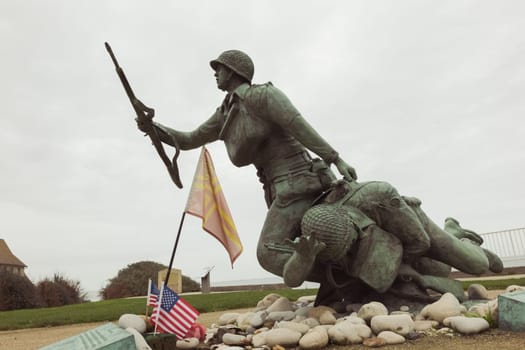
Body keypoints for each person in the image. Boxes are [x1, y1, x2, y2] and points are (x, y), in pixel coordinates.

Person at [135, 49, 357, 279]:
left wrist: (335, 159)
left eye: (218, 68)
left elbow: (298, 126)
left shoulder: (263, 95)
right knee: (279, 249)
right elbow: (189, 139)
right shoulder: (224, 112)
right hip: (277, 188)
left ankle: (342, 279)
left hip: (297, 182)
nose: (215, 74)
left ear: (232, 72)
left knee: (267, 254)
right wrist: (154, 128)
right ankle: (338, 277)